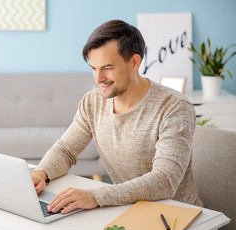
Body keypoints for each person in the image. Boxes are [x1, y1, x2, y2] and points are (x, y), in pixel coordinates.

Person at [31, 19, 202, 215]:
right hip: (128, 210)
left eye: (107, 68)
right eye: (93, 68)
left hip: (176, 217)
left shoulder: (174, 107)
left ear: (134, 62)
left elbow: (165, 180)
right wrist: (41, 174)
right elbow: (66, 149)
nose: (98, 79)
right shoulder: (93, 102)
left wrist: (96, 196)